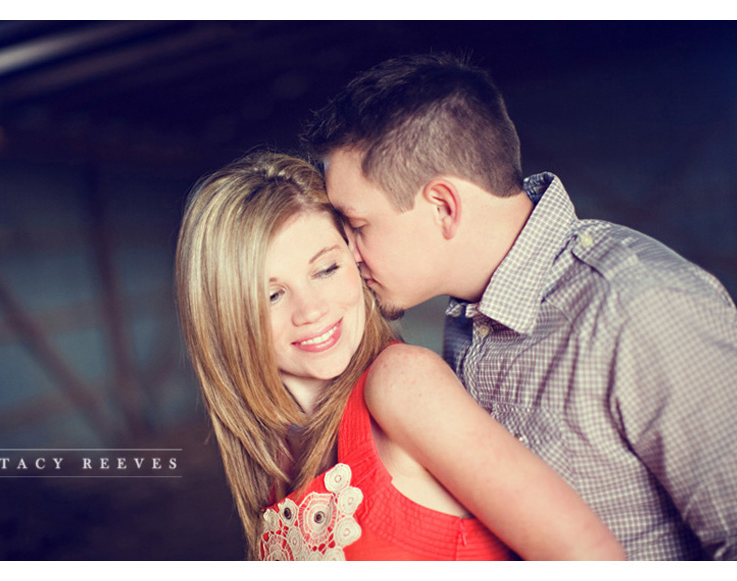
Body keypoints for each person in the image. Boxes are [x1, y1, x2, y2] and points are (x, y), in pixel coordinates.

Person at [301, 53, 737, 560]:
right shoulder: (471, 317)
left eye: (357, 225)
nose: (349, 252)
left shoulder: (639, 308)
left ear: (443, 207)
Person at [175, 150, 624, 561]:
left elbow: (593, 559)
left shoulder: (402, 384)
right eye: (272, 295)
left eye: (326, 269)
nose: (311, 310)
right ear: (225, 319)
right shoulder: (277, 458)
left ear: (355, 261)